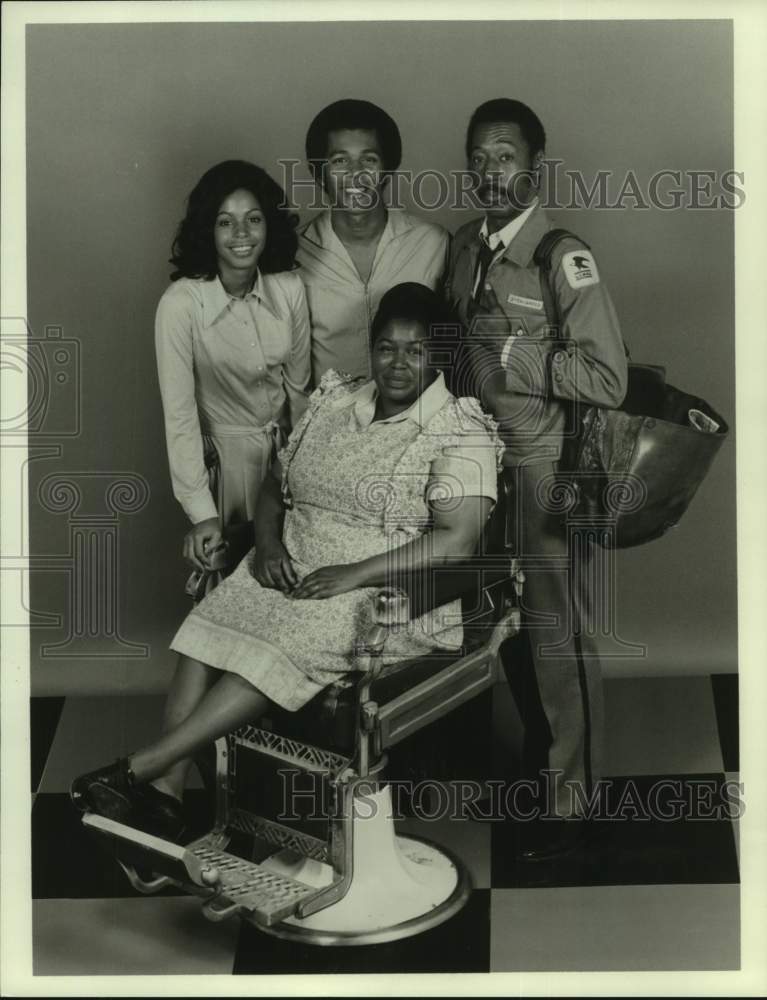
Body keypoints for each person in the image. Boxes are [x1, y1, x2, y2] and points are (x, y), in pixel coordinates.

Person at [71, 283, 503, 841]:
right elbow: (277, 486)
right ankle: (165, 797)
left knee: (276, 644)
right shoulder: (337, 401)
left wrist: (353, 575)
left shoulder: (459, 429)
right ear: (370, 350)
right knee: (205, 631)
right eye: (386, 348)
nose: (398, 364)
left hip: (387, 595)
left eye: (415, 350)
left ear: (437, 355)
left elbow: (456, 541)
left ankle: (135, 770)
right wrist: (269, 546)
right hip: (292, 564)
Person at [446, 99, 628, 859]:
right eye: (480, 158)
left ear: (534, 166)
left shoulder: (561, 256)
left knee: (558, 633)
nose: (493, 172)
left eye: (506, 155)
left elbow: (607, 378)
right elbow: (453, 352)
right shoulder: (462, 247)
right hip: (475, 467)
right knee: (499, 624)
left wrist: (514, 354)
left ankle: (570, 801)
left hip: (546, 471)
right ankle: (540, 758)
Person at [155, 160, 311, 590]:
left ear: (269, 225)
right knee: (227, 588)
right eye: (226, 222)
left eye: (253, 219)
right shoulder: (181, 304)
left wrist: (303, 476)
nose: (242, 235)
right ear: (208, 229)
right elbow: (180, 417)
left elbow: (300, 395)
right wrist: (201, 512)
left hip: (287, 460)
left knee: (288, 581)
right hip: (224, 467)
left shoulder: (290, 288)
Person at [296, 99, 450, 384]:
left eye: (369, 159)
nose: (356, 174)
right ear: (319, 173)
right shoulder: (293, 254)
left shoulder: (434, 243)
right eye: (339, 160)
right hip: (327, 422)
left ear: (388, 168)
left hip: (415, 423)